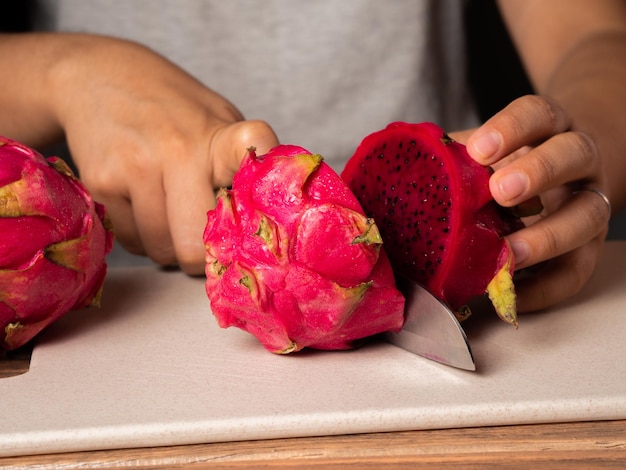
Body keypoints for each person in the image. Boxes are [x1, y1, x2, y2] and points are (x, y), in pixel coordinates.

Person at [0, 0, 625, 313]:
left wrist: (590, 137)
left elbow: (595, 33)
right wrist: (62, 74)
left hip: (451, 258)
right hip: (114, 309)